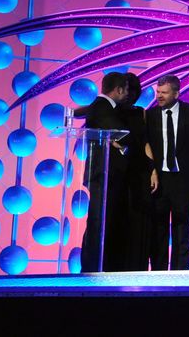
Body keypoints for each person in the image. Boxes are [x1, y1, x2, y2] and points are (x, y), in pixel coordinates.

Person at [146, 74, 189, 270]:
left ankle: (180, 271)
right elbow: (147, 144)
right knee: (158, 227)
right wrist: (152, 170)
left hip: (183, 179)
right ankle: (158, 271)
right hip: (160, 179)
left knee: (182, 226)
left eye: (164, 92)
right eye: (158, 92)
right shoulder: (150, 115)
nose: (159, 96)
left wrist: (184, 161)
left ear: (176, 93)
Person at [79, 71, 129, 272]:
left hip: (104, 174)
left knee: (101, 221)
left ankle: (97, 266)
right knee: (97, 222)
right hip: (102, 173)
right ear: (118, 90)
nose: (128, 94)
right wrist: (126, 142)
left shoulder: (101, 107)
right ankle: (91, 268)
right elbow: (122, 134)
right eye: (126, 90)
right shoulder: (102, 107)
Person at [120, 73, 153, 271]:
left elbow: (146, 142)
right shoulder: (109, 111)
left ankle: (136, 266)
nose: (130, 94)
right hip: (117, 171)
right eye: (127, 89)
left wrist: (153, 169)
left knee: (138, 217)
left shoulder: (141, 113)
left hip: (139, 170)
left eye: (133, 90)